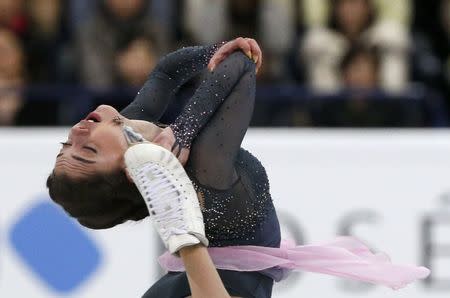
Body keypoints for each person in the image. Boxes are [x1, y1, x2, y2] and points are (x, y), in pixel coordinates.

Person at [47, 38, 429, 297]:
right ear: (131, 171)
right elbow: (241, 70)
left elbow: (166, 72)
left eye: (67, 145)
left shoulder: (132, 127)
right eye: (87, 152)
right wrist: (182, 133)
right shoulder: (205, 164)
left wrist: (214, 50)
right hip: (223, 284)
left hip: (199, 278)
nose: (78, 132)